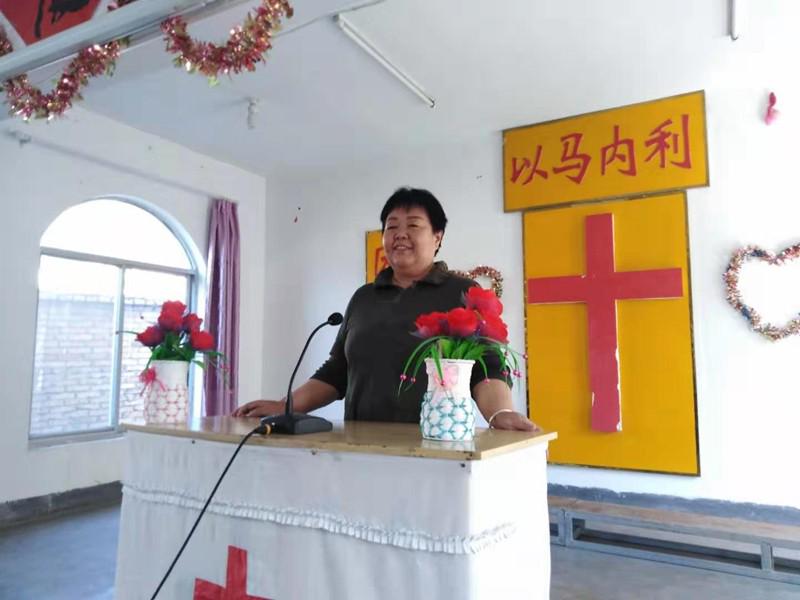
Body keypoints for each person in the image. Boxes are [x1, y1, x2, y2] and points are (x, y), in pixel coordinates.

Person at [233, 187, 538, 431]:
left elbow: (488, 368)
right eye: (391, 227)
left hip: (436, 449)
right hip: (360, 445)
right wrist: (284, 406)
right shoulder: (364, 298)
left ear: (437, 237)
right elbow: (338, 371)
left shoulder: (462, 292)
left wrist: (500, 413)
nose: (400, 234)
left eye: (413, 225)